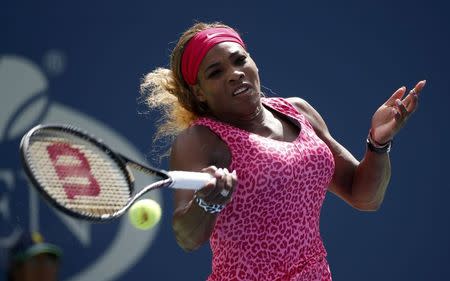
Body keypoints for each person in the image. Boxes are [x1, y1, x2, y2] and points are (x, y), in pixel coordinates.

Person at [140, 22, 425, 280]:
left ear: (253, 62)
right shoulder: (200, 139)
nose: (234, 74)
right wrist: (208, 202)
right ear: (199, 92)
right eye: (216, 72)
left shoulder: (298, 111)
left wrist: (378, 143)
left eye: (240, 60)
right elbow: (186, 237)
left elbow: (363, 196)